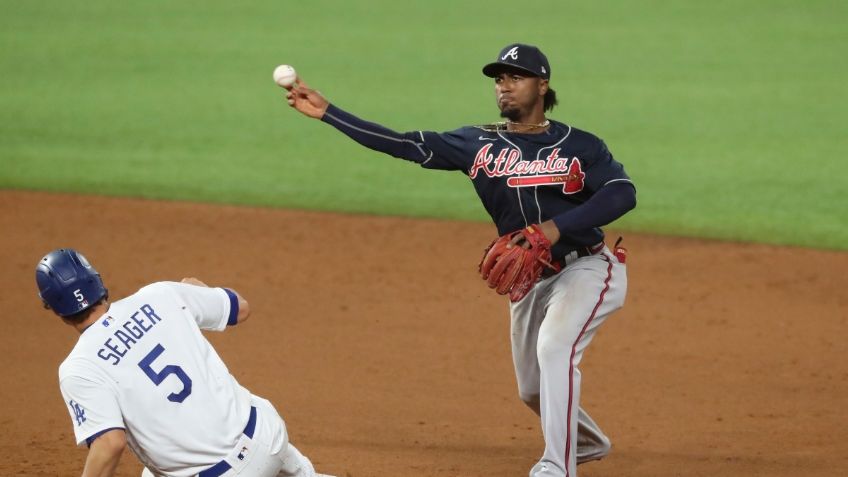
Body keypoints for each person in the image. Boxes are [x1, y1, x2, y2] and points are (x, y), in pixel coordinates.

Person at [282, 43, 636, 477]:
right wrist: (330, 113)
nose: (504, 86)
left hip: (587, 267)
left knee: (554, 348)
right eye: (498, 79)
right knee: (531, 389)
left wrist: (555, 229)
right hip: (531, 278)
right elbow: (407, 144)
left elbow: (622, 193)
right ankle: (585, 441)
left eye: (515, 77)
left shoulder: (580, 145)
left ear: (542, 84)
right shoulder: (477, 142)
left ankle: (556, 466)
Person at [36, 248, 334, 477]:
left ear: (55, 309)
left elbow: (110, 444)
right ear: (96, 280)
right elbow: (240, 308)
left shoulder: (80, 368)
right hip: (269, 437)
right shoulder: (161, 294)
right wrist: (198, 292)